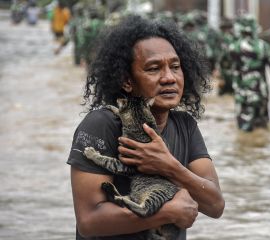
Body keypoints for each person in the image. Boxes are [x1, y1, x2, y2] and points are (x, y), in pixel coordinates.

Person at [67, 15, 225, 240]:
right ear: (127, 81)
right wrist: (166, 212)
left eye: (176, 66)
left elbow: (215, 205)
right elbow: (89, 221)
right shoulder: (102, 125)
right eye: (153, 69)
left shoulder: (185, 126)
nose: (169, 78)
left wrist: (169, 166)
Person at [229, 14, 270, 132]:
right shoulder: (264, 46)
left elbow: (225, 69)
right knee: (263, 130)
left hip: (242, 96)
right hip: (261, 94)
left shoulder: (233, 47)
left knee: (244, 132)